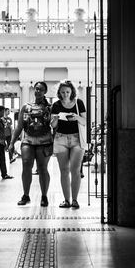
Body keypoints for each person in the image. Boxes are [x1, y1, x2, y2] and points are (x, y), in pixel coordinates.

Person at [8, 81, 53, 207]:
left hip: (45, 141)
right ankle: (26, 195)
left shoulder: (50, 107)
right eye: (36, 89)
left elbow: (55, 126)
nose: (38, 91)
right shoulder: (26, 107)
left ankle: (44, 196)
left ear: (45, 92)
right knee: (26, 164)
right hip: (28, 139)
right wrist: (12, 143)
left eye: (41, 89)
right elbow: (19, 126)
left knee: (42, 168)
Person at [51, 80, 87, 209]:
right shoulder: (56, 105)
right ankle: (66, 200)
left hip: (77, 139)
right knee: (64, 170)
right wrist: (54, 119)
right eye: (62, 92)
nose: (65, 94)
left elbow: (85, 121)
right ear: (59, 93)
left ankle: (75, 200)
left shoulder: (79, 103)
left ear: (72, 91)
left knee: (75, 170)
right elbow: (54, 125)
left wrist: (76, 117)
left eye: (67, 92)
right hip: (60, 138)